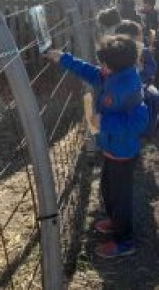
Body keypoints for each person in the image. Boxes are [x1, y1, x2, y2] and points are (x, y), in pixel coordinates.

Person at [45, 36, 149, 259]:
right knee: (108, 189)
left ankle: (125, 240)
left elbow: (140, 121)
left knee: (121, 198)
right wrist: (64, 59)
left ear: (115, 66)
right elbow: (89, 71)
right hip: (110, 148)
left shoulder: (130, 86)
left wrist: (105, 122)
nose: (100, 67)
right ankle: (114, 221)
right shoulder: (109, 74)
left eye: (103, 64)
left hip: (122, 151)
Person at [115, 20, 157, 85]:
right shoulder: (117, 52)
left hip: (142, 84)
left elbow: (152, 67)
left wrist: (142, 67)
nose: (142, 37)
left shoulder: (144, 51)